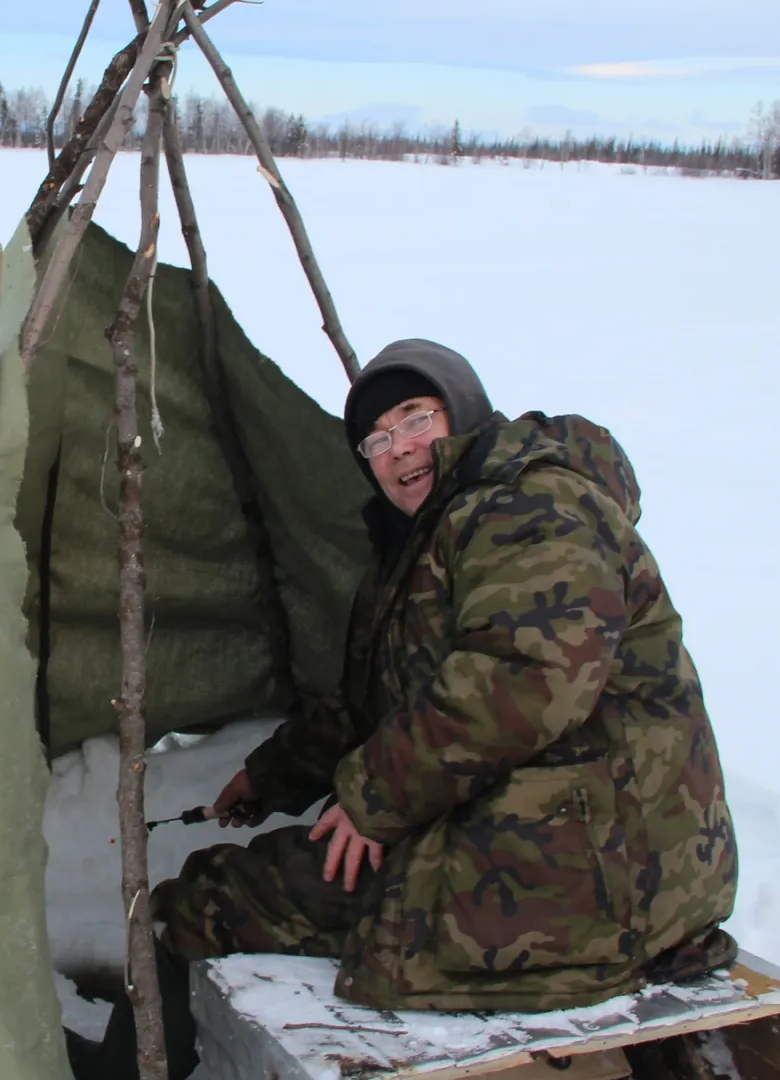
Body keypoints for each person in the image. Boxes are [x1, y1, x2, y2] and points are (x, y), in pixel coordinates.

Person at [71, 339, 739, 1079]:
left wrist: (375, 797)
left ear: (466, 410)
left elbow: (524, 679)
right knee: (220, 886)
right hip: (562, 846)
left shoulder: (531, 508)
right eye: (378, 441)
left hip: (597, 878)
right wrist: (275, 775)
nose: (401, 451)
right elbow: (376, 701)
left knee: (205, 901)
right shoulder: (438, 536)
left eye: (417, 419)